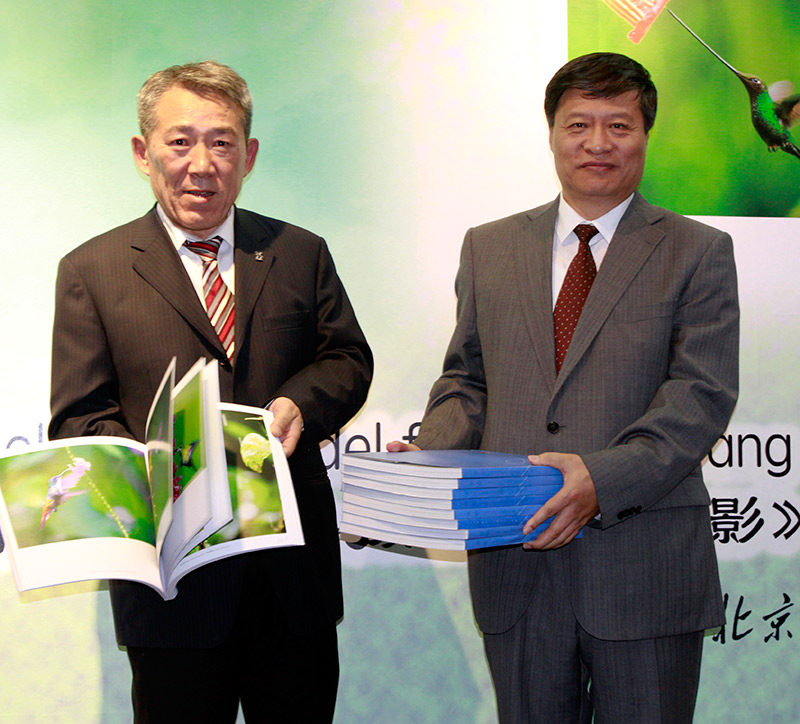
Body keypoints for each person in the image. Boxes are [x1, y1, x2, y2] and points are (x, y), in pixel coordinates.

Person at [388, 52, 738, 723]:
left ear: (646, 134)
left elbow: (701, 396)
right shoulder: (488, 247)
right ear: (551, 132)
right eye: (579, 124)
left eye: (619, 125)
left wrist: (600, 480)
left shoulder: (697, 251)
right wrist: (431, 456)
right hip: (514, 562)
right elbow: (467, 377)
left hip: (644, 566)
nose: (598, 143)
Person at [49, 61, 372, 724]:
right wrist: (156, 467)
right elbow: (80, 419)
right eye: (180, 141)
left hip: (292, 584)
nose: (202, 163)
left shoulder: (299, 252)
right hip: (172, 591)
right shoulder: (92, 269)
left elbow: (347, 358)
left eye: (222, 142)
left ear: (248, 155)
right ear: (143, 153)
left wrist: (299, 405)